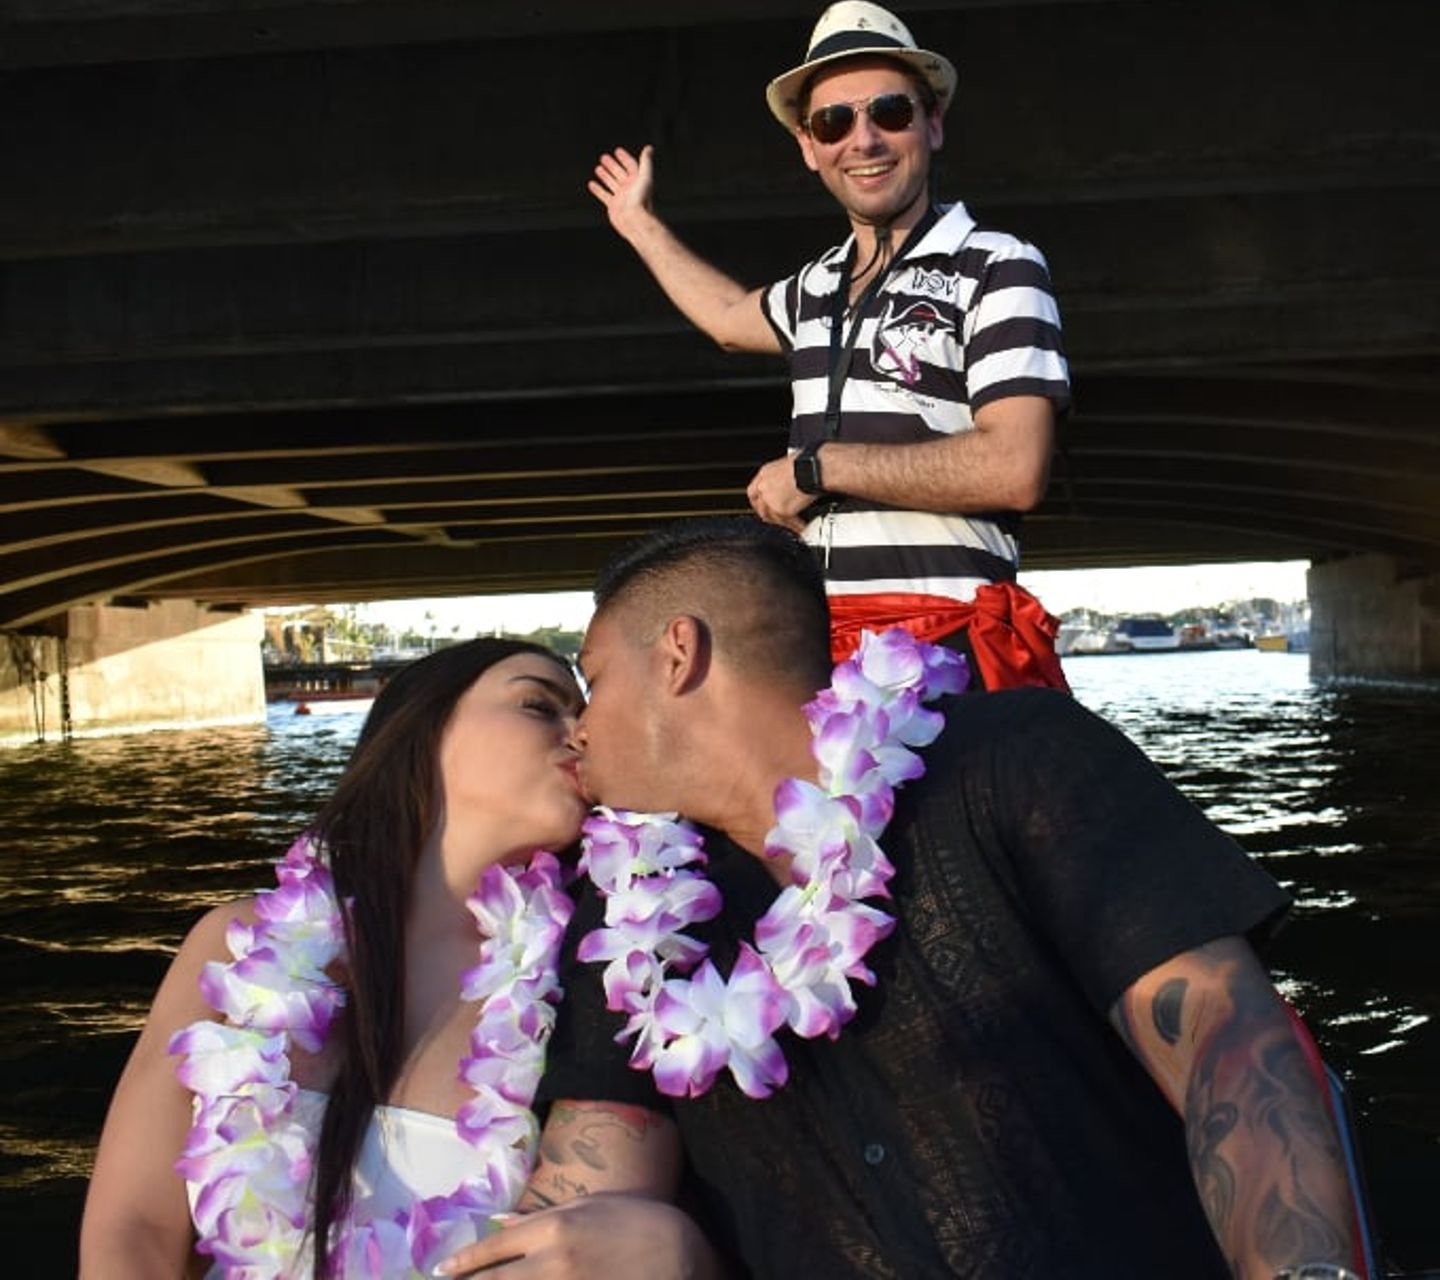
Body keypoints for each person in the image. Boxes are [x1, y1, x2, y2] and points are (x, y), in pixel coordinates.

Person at [444, 519, 1367, 1280]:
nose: (584, 728)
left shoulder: (1013, 759)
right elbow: (589, 1199)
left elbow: (1222, 1038)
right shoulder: (630, 917)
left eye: (593, 680)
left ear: (677, 655)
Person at [79, 639, 714, 1280]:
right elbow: (133, 1232)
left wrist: (692, 1253)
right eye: (537, 704)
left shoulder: (599, 979)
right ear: (421, 730)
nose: (578, 732)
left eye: (579, 711)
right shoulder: (235, 948)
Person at [588, 0, 1071, 687]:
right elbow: (728, 315)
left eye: (891, 113)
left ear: (933, 125)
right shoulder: (816, 286)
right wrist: (638, 225)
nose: (864, 139)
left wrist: (816, 469)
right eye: (834, 121)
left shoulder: (995, 264)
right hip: (828, 660)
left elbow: (1015, 467)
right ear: (809, 147)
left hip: (951, 653)